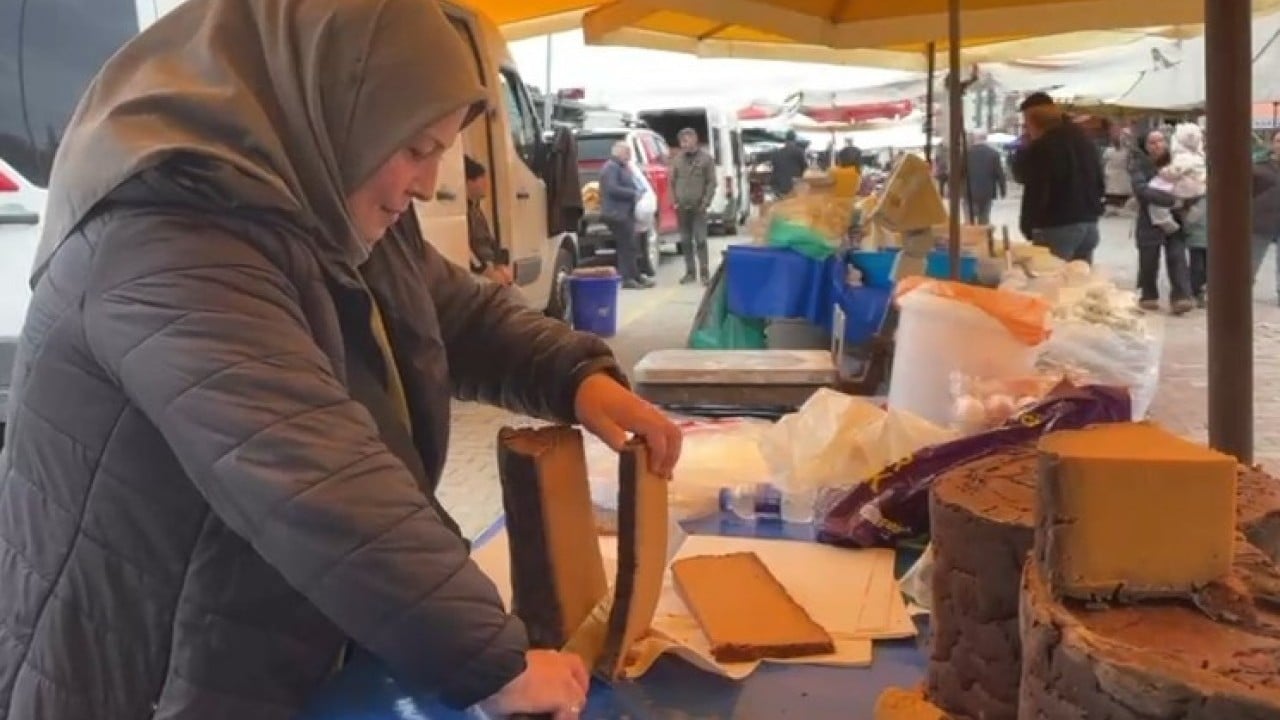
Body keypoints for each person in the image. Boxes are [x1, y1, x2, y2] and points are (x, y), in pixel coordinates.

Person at [0, 1, 684, 718]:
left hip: (252, 642)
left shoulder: (320, 195)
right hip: (142, 676)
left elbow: (456, 316)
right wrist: (493, 663)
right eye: (417, 148)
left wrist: (577, 378)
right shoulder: (165, 237)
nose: (427, 183)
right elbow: (315, 472)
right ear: (340, 105)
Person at [1016, 99, 1105, 264]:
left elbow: (1033, 184)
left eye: (1026, 124)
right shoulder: (1085, 139)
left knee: (1051, 280)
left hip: (1057, 224)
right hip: (1089, 223)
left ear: (1035, 123)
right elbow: (1099, 179)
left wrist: (1029, 226)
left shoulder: (1043, 146)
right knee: (1079, 280)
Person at [1130, 129, 1195, 314]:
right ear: (1145, 146)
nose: (1157, 145)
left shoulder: (1178, 162)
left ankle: (1181, 297)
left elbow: (1190, 186)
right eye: (1152, 142)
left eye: (1160, 141)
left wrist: (1182, 200)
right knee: (1148, 259)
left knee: (1177, 258)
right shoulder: (1139, 165)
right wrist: (1171, 199)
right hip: (1148, 220)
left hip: (1176, 218)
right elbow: (1141, 190)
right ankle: (1148, 295)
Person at [599, 141, 652, 289]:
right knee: (626, 246)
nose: (629, 156)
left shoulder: (621, 167)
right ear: (619, 152)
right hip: (616, 213)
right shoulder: (611, 168)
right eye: (627, 152)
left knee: (631, 245)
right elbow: (612, 188)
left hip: (625, 212)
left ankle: (636, 276)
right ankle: (627, 278)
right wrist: (633, 194)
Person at [670, 127, 716, 285]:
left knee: (701, 240)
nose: (684, 144)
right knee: (685, 241)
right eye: (682, 141)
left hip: (699, 207)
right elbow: (672, 182)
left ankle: (704, 273)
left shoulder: (706, 159)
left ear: (695, 140)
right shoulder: (677, 160)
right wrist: (675, 201)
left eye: (687, 140)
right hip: (682, 207)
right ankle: (690, 272)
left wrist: (706, 202)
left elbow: (711, 182)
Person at [465, 155, 513, 286]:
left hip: (490, 266)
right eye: (482, 180)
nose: (486, 185)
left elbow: (490, 241)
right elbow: (468, 250)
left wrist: (500, 265)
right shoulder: (464, 214)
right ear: (470, 182)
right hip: (481, 271)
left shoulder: (476, 211)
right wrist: (486, 271)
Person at [1252, 131, 1280, 306]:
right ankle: (1241, 289)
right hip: (1261, 220)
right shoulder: (1259, 166)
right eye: (1278, 140)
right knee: (1252, 259)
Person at [960, 130, 1007, 225]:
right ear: (986, 138)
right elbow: (1000, 174)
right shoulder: (994, 153)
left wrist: (955, 189)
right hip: (987, 193)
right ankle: (982, 238)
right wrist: (1003, 190)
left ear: (974, 139)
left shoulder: (967, 153)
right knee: (984, 221)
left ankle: (971, 238)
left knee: (969, 223)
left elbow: (960, 172)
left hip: (969, 193)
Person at [768, 130, 808, 198]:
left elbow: (773, 167)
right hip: (793, 187)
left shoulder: (776, 153)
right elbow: (805, 168)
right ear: (794, 141)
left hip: (778, 187)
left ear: (785, 141)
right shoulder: (799, 152)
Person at [1102, 131, 1134, 214]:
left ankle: (1119, 207)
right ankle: (1112, 207)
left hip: (1121, 173)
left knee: (1121, 191)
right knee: (1112, 191)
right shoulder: (1109, 150)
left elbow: (1130, 161)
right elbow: (1104, 161)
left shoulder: (1127, 151)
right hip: (1112, 173)